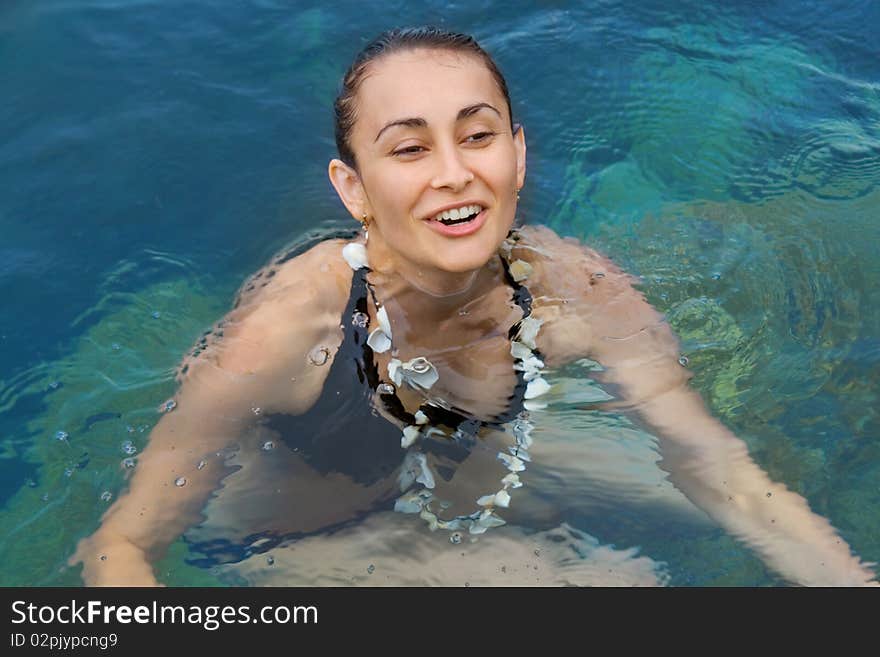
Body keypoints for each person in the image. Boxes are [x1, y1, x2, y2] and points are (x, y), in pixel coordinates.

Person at [71, 26, 877, 586]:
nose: (454, 173)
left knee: (718, 491)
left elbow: (715, 467)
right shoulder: (290, 327)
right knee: (614, 578)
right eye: (410, 148)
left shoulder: (572, 285)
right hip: (290, 543)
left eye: (477, 135)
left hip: (451, 474)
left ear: (519, 155)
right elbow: (121, 543)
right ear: (353, 188)